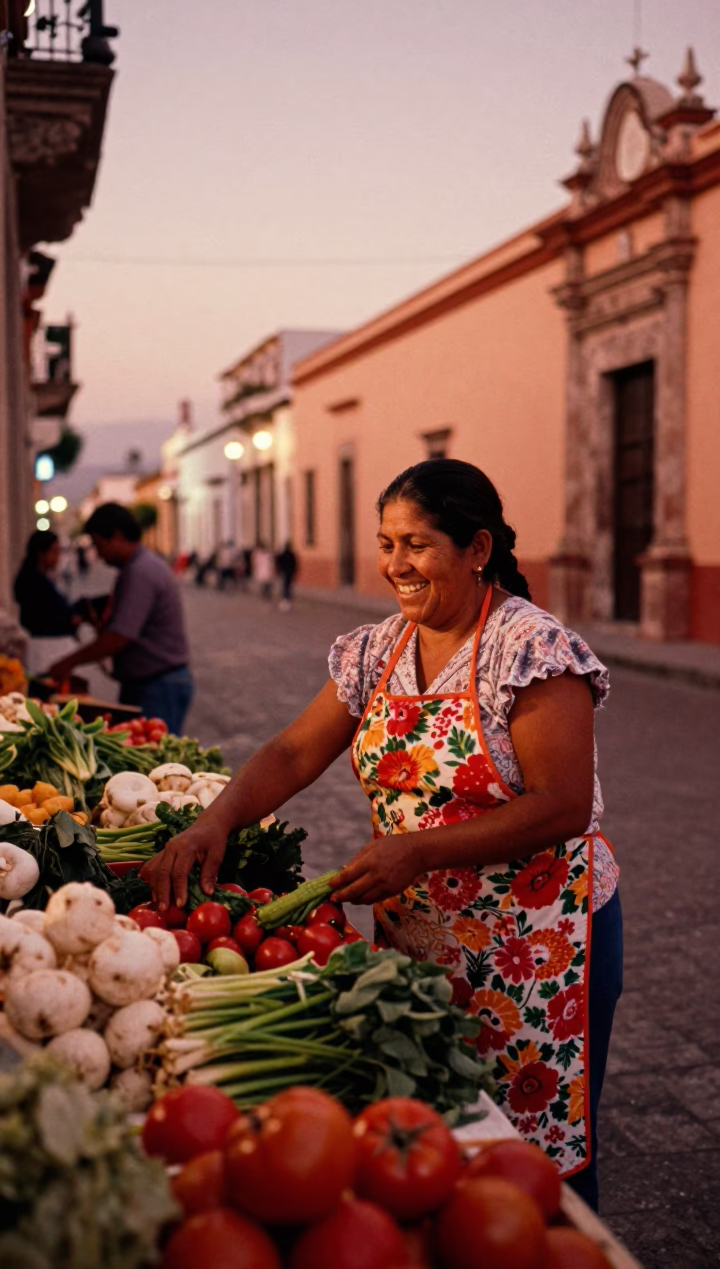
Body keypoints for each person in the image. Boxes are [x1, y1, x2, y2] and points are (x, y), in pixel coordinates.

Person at [141, 459, 622, 1209]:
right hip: (419, 944)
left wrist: (419, 849)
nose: (396, 563)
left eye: (417, 543)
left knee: (534, 1163)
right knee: (436, 1144)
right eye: (385, 542)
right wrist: (216, 821)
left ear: (478, 548)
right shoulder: (377, 650)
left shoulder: (530, 648)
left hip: (539, 943)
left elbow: (562, 806)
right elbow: (296, 751)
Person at [48, 502, 194, 734]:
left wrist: (68, 662)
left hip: (157, 684)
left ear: (115, 536)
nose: (98, 554)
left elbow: (118, 637)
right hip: (151, 682)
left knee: (155, 764)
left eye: (98, 545)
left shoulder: (140, 571)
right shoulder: (139, 566)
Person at [13, 530, 78, 675]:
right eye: (54, 552)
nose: (57, 558)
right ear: (40, 553)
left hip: (51, 648)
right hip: (45, 649)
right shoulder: (32, 581)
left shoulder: (44, 577)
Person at [275, 541, 299, 610]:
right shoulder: (292, 554)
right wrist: (295, 572)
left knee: (285, 586)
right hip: (290, 573)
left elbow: (278, 562)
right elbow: (295, 564)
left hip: (285, 572)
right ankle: (287, 598)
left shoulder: (283, 554)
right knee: (288, 586)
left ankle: (285, 598)